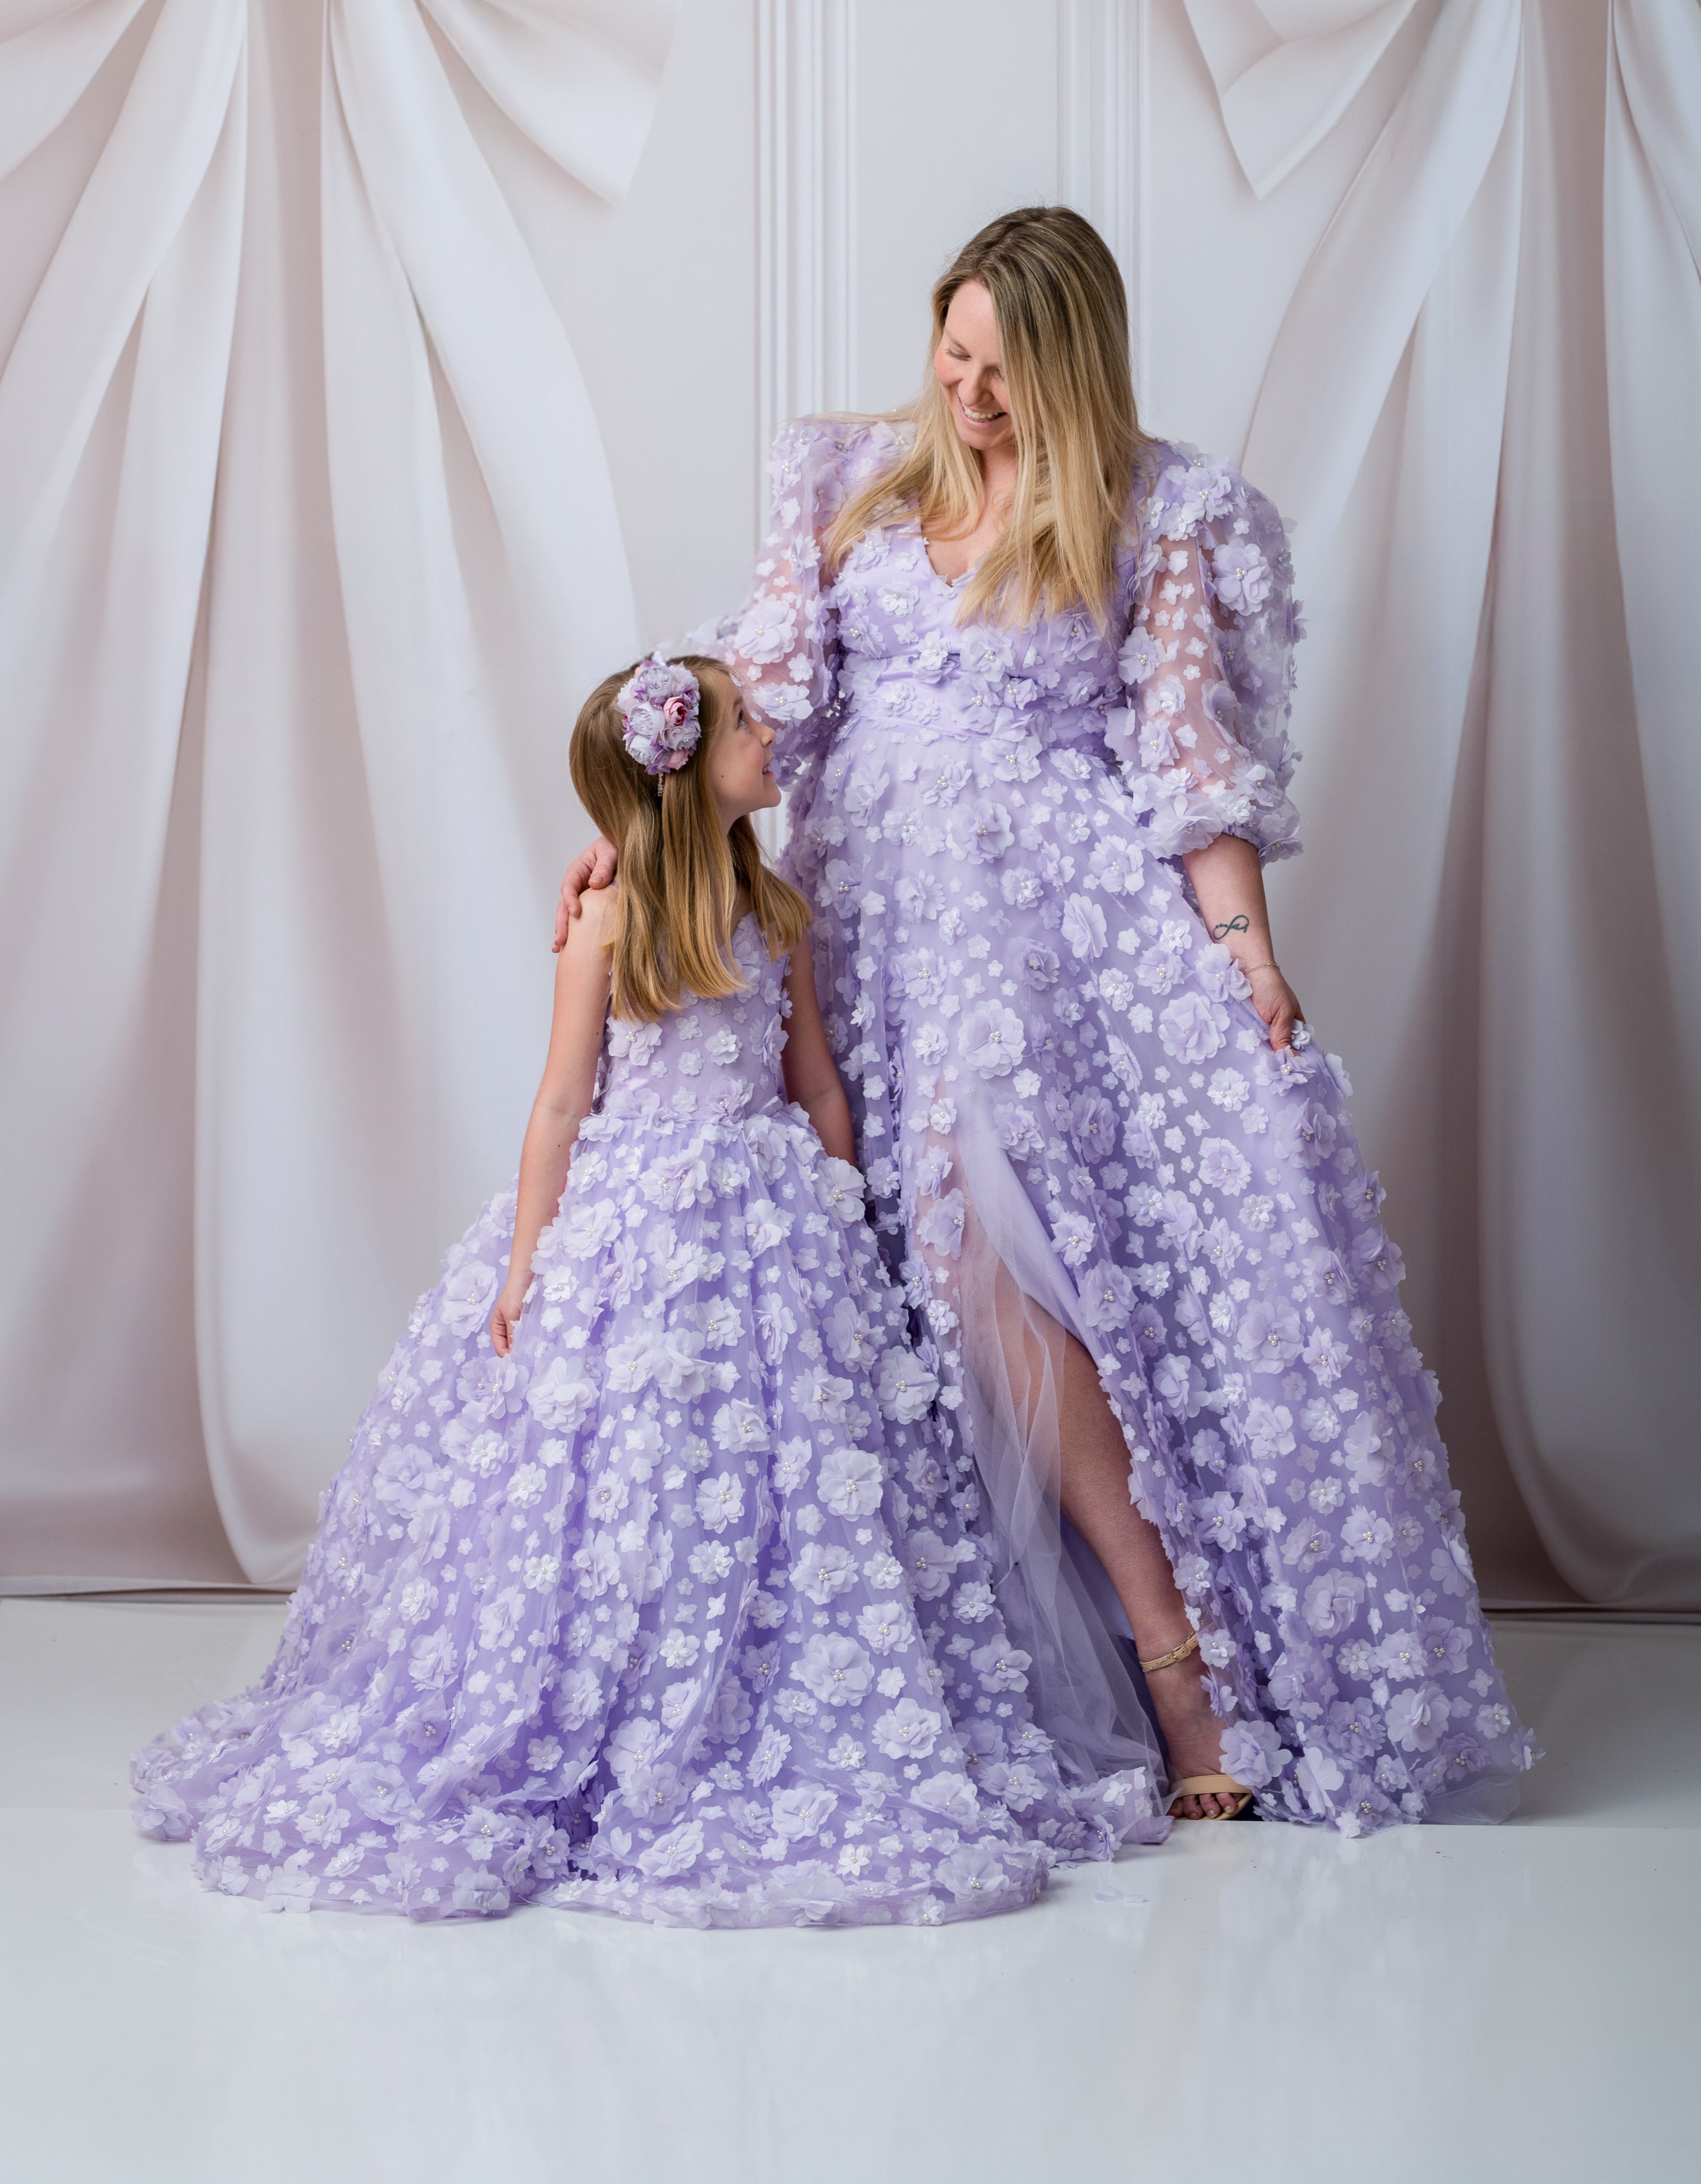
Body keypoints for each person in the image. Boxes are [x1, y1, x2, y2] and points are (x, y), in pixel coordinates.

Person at [560, 209, 1531, 1831]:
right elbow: (764, 701)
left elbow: (1189, 770)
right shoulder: (850, 480)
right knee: (914, 1280)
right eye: (952, 356)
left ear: (1074, 367)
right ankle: (1033, 1660)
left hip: (1044, 952)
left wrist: (1244, 950)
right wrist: (636, 819)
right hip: (868, 930)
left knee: (988, 1247)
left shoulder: (1157, 515)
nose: (971, 395)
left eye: (1005, 371)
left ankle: (1179, 1653)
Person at [133, 654, 1151, 1927]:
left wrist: (849, 1216)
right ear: (681, 767)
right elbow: (563, 1103)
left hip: (771, 1217)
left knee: (781, 1467)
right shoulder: (610, 921)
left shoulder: (775, 909)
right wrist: (526, 1266)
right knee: (631, 1464)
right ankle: (619, 1682)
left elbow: (817, 1083)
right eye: (743, 722)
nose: (771, 733)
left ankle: (760, 1681)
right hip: (637, 1220)